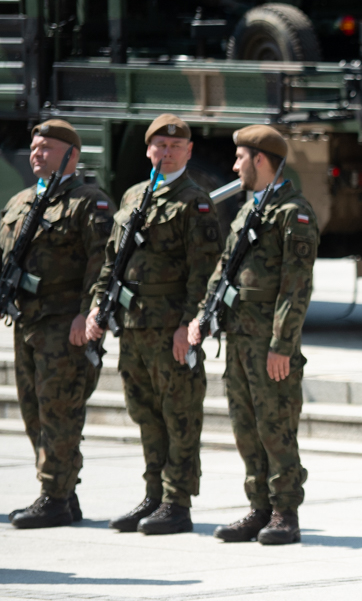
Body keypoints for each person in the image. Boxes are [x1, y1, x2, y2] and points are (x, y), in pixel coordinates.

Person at [85, 114, 221, 535]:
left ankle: (177, 503)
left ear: (189, 152)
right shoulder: (133, 197)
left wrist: (189, 325)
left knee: (179, 415)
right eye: (159, 145)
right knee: (145, 412)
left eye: (175, 146)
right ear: (148, 150)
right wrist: (96, 308)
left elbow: (204, 272)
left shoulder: (194, 202)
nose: (166, 152)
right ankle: (153, 495)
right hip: (133, 326)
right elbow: (113, 261)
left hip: (171, 330)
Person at [188, 124, 318, 545]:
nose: (234, 165)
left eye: (240, 158)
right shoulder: (249, 210)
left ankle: (284, 513)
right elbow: (224, 269)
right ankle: (258, 507)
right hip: (239, 339)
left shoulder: (292, 213)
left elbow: (295, 286)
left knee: (275, 426)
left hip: (269, 343)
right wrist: (203, 317)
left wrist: (282, 344)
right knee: (246, 426)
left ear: (260, 160)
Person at [3, 120, 113, 528]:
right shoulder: (20, 202)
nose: (37, 153)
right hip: (26, 322)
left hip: (63, 324)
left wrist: (88, 314)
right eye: (35, 146)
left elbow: (103, 263)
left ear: (72, 155)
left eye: (47, 147)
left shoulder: (89, 203)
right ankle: (62, 494)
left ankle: (54, 495)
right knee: (33, 411)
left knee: (59, 412)